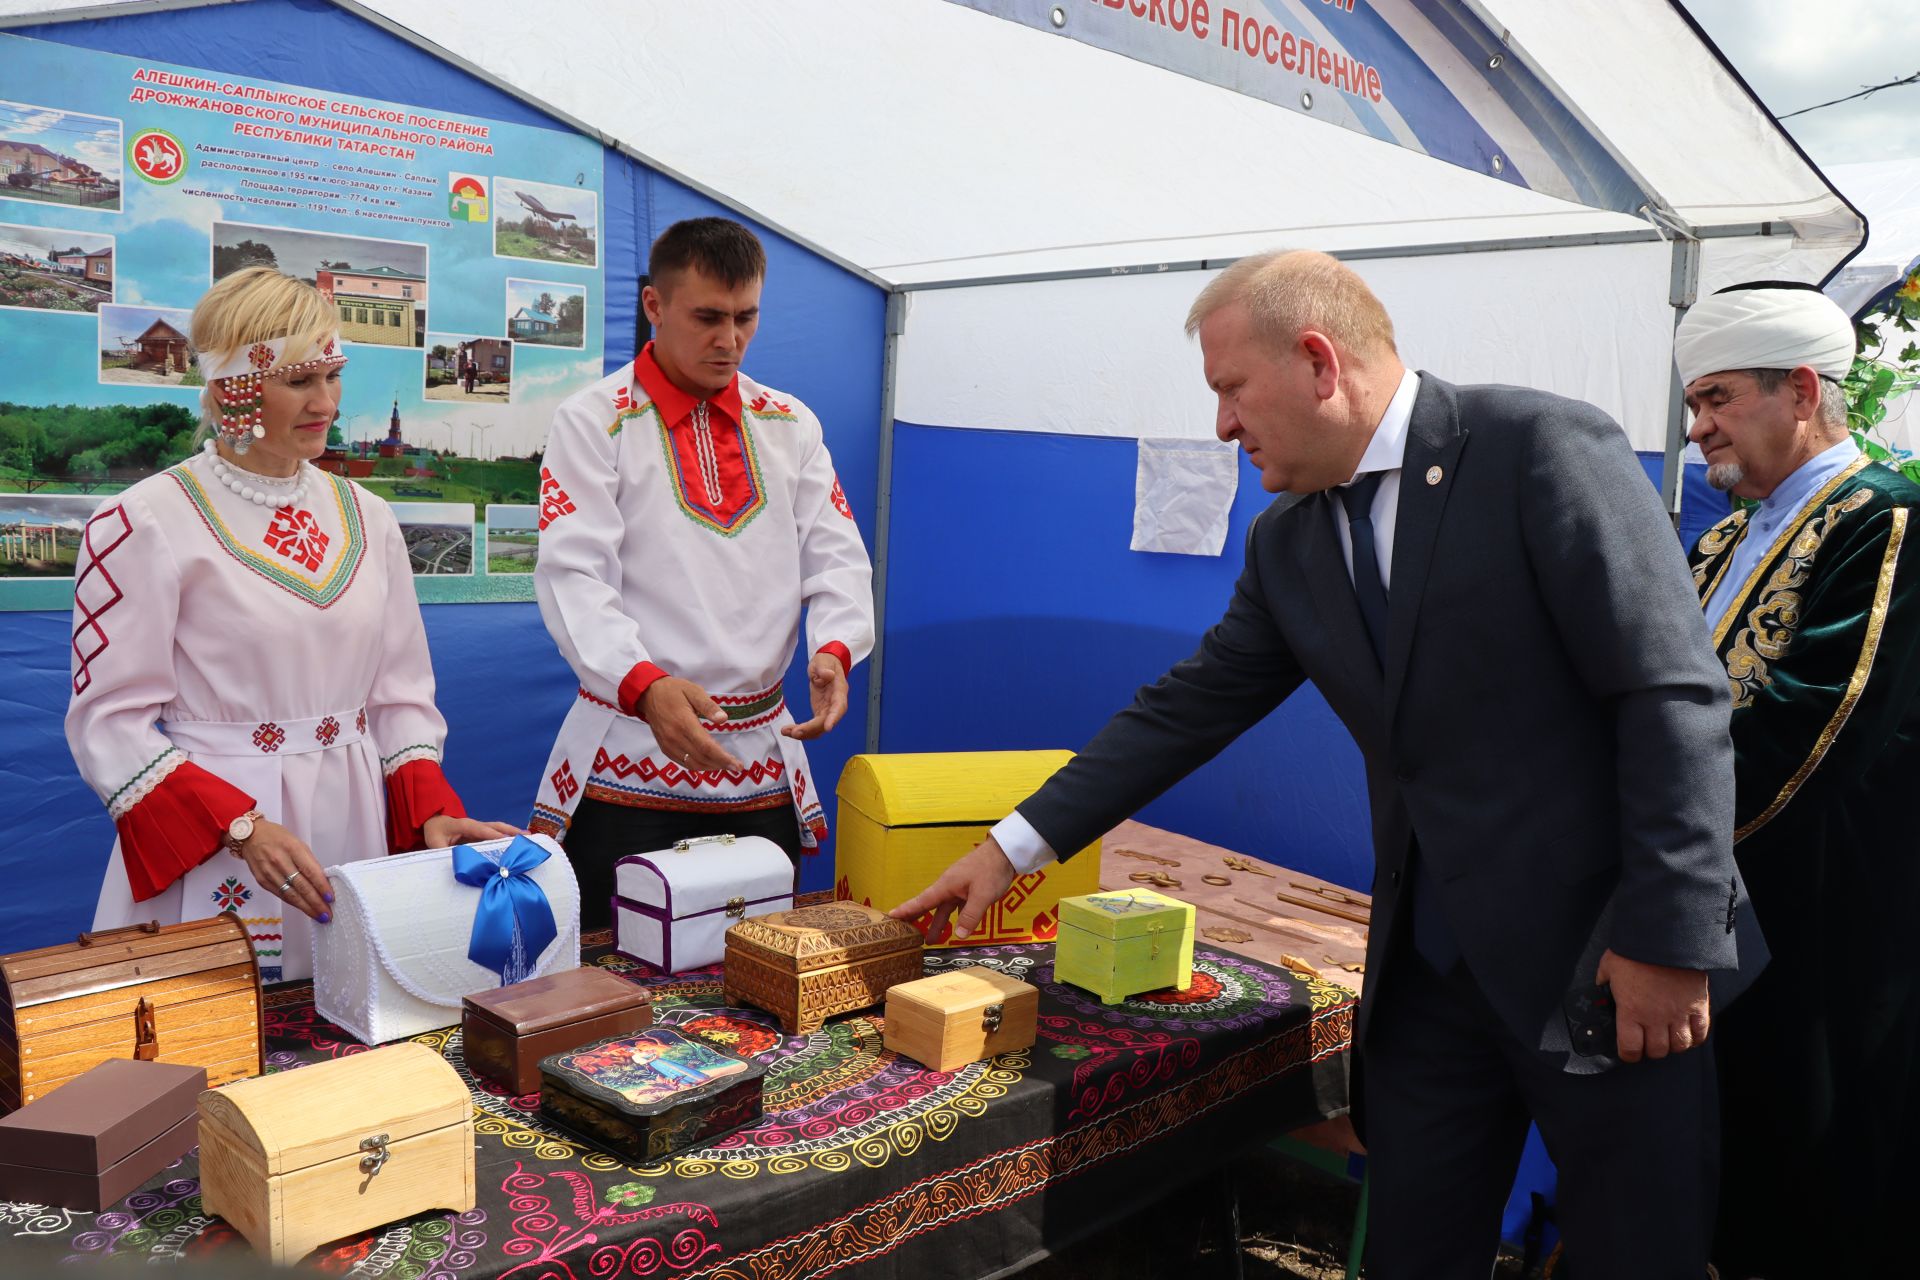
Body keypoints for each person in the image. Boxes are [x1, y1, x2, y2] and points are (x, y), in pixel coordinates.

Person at [895, 250, 1759, 1278]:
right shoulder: (1289, 539)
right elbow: (1188, 706)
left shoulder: (1537, 447)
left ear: (1317, 360)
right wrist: (1010, 846)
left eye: (1229, 389)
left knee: (1637, 1255)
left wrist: (1668, 936)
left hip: (1613, 967)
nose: (1221, 424)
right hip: (1431, 986)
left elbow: (1671, 691)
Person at [66, 267, 517, 983]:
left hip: (353, 819)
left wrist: (427, 803)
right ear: (232, 388)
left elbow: (400, 696)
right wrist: (239, 827)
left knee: (356, 1031)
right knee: (222, 1045)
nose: (328, 402)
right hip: (224, 838)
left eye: (333, 375)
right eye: (301, 380)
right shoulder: (145, 520)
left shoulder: (368, 518)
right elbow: (108, 725)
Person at [1674, 282, 1920, 1279]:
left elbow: (1811, 728)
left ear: (1803, 389)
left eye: (1719, 398)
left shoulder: (1885, 516)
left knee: (1817, 1153)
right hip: (1712, 898)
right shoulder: (1721, 539)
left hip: (1828, 906)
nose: (1699, 430)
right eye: (1695, 407)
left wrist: (1654, 843)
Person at [529, 217, 873, 928]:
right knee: (616, 985)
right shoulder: (594, 421)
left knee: (757, 973)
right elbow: (573, 575)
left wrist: (836, 648)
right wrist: (643, 684)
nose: (731, 340)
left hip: (762, 765)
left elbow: (837, 553)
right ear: (654, 306)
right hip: (632, 758)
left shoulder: (789, 424)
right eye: (708, 317)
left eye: (746, 317)